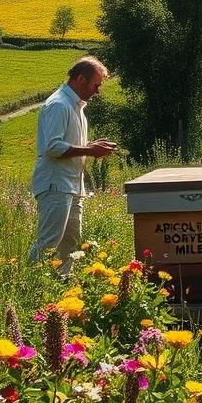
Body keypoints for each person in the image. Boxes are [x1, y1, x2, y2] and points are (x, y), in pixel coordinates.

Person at [27, 56, 115, 272]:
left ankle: (63, 289)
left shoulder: (76, 107)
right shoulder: (59, 105)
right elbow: (53, 147)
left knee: (71, 242)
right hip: (55, 184)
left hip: (72, 185)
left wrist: (90, 145)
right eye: (96, 85)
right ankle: (28, 284)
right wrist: (90, 150)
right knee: (49, 242)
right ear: (81, 79)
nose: (97, 91)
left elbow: (66, 144)